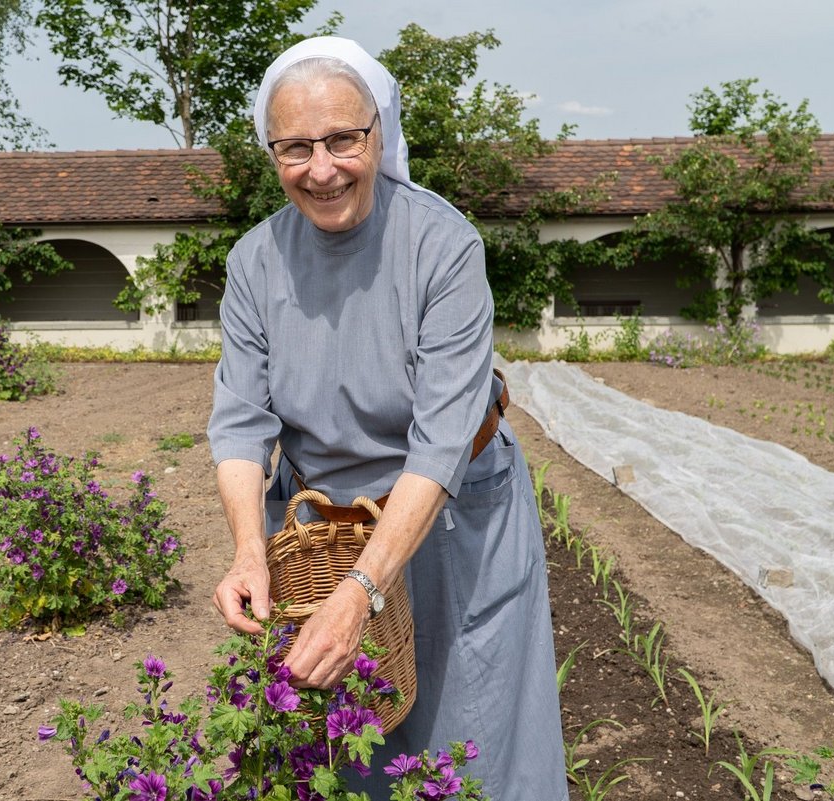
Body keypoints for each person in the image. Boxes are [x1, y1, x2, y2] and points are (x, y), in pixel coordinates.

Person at [207, 36, 567, 799]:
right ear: (271, 152)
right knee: (346, 741)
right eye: (295, 147)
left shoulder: (441, 246)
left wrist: (364, 593)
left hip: (450, 520)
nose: (322, 167)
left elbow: (439, 442)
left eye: (343, 139)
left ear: (379, 133)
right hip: (325, 531)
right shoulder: (253, 261)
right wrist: (249, 550)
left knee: (470, 728)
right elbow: (240, 425)